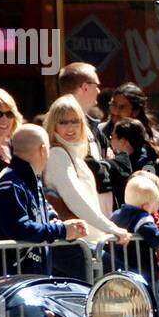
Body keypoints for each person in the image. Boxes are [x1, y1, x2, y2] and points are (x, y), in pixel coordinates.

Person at [0, 125, 88, 277]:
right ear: (43, 149)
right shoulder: (10, 184)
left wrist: (67, 226)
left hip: (35, 277)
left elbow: (47, 217)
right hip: (14, 282)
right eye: (49, 148)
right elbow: (21, 229)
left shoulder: (31, 180)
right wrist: (63, 231)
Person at [42, 96, 130, 245]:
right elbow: (77, 200)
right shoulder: (57, 154)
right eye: (63, 122)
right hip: (76, 246)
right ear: (53, 125)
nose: (70, 127)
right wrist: (111, 228)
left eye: (75, 121)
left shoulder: (74, 154)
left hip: (90, 243)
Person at [57, 62, 114, 216]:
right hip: (81, 223)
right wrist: (106, 165)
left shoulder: (94, 127)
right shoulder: (57, 126)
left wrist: (106, 165)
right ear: (85, 87)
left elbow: (118, 162)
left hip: (101, 222)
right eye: (97, 85)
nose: (99, 91)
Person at [108, 82, 159, 160]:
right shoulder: (101, 131)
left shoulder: (155, 139)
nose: (116, 111)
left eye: (122, 107)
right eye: (114, 105)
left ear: (136, 111)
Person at [106, 118, 157, 206]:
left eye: (112, 137)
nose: (110, 141)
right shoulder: (147, 158)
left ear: (123, 141)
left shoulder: (144, 165)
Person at [111, 171, 159, 253]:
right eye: (156, 200)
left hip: (117, 258)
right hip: (138, 260)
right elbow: (155, 236)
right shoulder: (143, 217)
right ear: (145, 206)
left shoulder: (116, 214)